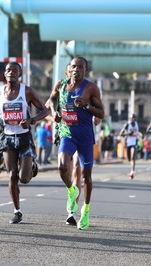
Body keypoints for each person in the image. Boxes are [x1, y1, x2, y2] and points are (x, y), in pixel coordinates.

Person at [0, 62, 49, 224]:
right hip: (7, 137)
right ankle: (17, 211)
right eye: (8, 70)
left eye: (15, 70)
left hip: (24, 137)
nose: (11, 72)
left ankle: (31, 166)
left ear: (20, 74)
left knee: (24, 179)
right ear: (4, 75)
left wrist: (31, 120)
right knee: (12, 175)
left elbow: (45, 111)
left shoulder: (27, 91)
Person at [47, 56, 104, 230]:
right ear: (69, 68)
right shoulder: (61, 84)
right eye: (73, 66)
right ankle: (72, 190)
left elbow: (101, 113)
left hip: (85, 136)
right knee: (62, 167)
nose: (76, 70)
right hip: (67, 133)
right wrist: (54, 112)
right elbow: (50, 100)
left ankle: (85, 210)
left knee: (86, 176)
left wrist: (86, 106)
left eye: (80, 67)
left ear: (85, 70)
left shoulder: (91, 88)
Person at [119, 113, 140, 180]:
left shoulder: (136, 124)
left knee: (132, 157)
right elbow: (121, 133)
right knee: (129, 158)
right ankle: (131, 170)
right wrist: (128, 133)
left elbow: (137, 132)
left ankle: (132, 172)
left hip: (134, 143)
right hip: (128, 143)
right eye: (131, 118)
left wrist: (140, 135)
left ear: (135, 118)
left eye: (133, 118)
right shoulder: (127, 124)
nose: (132, 119)